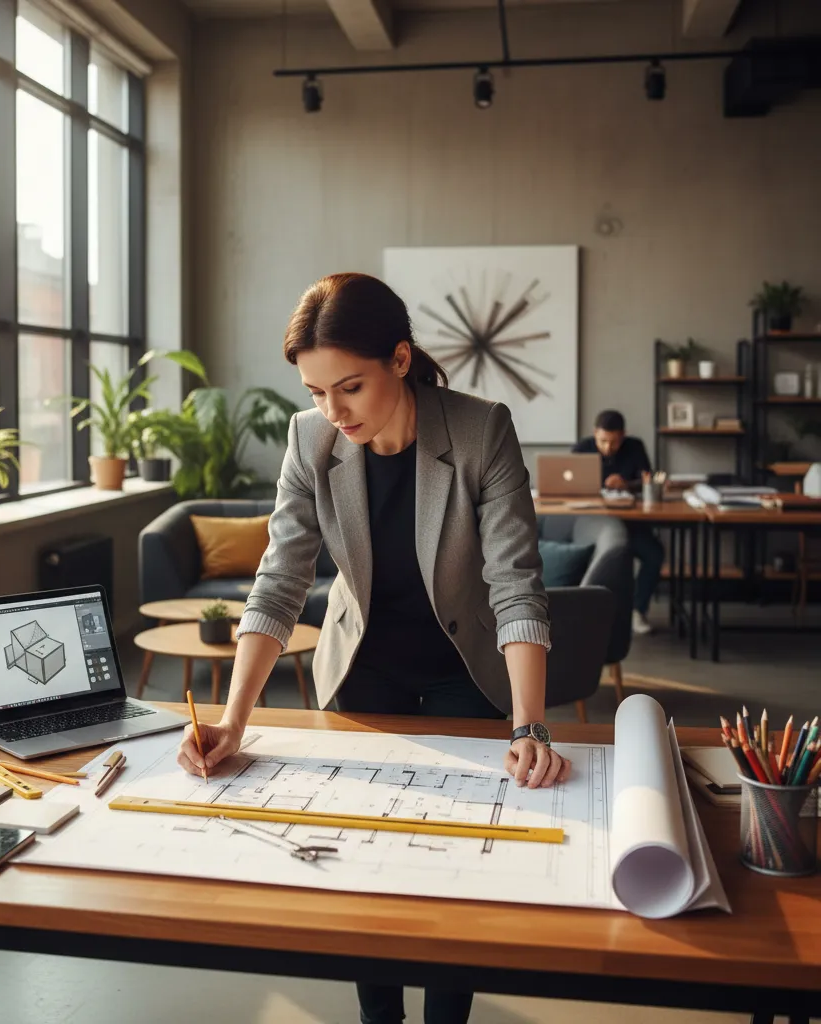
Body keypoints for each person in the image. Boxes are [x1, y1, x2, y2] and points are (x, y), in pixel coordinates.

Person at [177, 272, 570, 1024]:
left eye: (348, 388)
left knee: (458, 873)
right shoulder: (310, 438)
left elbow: (516, 586)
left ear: (399, 357)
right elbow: (278, 584)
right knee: (362, 870)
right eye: (317, 392)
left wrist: (529, 723)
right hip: (363, 671)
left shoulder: (481, 429)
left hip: (464, 672)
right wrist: (233, 721)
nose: (333, 411)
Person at [573, 409, 664, 635]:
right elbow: (567, 483)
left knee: (655, 555)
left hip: (630, 523)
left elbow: (647, 480)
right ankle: (580, 612)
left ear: (623, 435)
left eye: (613, 442)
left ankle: (637, 610)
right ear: (595, 433)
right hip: (592, 524)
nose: (607, 448)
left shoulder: (635, 447)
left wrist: (626, 484)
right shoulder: (582, 448)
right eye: (602, 441)